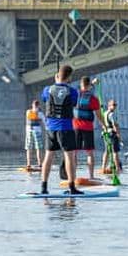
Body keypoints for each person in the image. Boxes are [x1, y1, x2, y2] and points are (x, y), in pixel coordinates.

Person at [40, 64, 82, 195]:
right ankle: (72, 187)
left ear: (57, 75)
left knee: (48, 156)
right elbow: (74, 103)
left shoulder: (47, 89)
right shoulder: (73, 91)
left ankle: (44, 187)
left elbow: (44, 99)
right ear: (69, 77)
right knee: (69, 157)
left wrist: (55, 82)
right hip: (66, 128)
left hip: (50, 128)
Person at [72, 77, 105, 179]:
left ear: (81, 84)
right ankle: (91, 177)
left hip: (75, 127)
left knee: (74, 153)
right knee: (90, 153)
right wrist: (104, 125)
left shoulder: (75, 96)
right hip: (88, 128)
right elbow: (99, 115)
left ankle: (72, 176)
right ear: (89, 86)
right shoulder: (93, 99)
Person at [101, 99, 123, 174]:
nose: (115, 107)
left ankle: (103, 167)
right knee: (115, 152)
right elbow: (115, 125)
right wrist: (119, 135)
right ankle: (117, 168)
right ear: (109, 105)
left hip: (106, 133)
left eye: (115, 105)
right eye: (113, 105)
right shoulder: (111, 114)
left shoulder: (104, 113)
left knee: (107, 150)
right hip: (112, 134)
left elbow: (103, 124)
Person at [25, 100, 44, 169]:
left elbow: (44, 122)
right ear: (32, 105)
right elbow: (30, 117)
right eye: (35, 104)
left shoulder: (40, 113)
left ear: (38, 105)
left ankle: (40, 164)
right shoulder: (28, 112)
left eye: (36, 105)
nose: (35, 106)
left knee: (38, 148)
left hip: (37, 131)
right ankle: (28, 164)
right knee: (29, 147)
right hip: (29, 131)